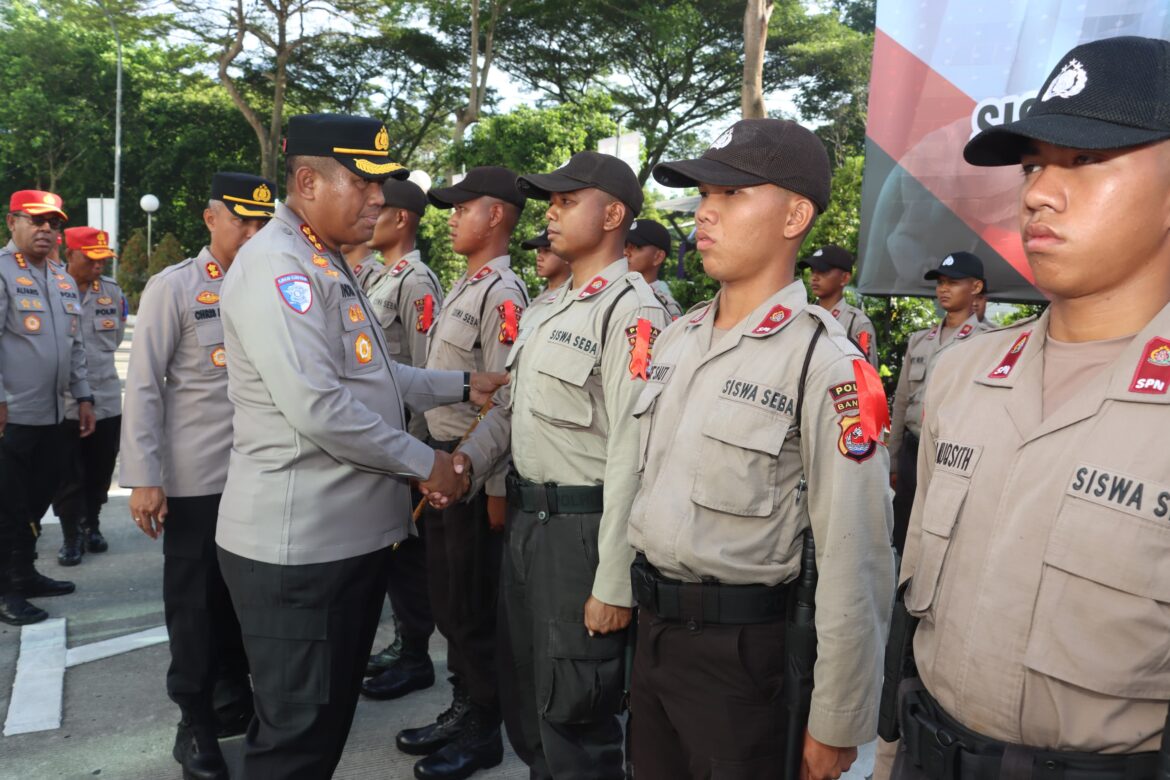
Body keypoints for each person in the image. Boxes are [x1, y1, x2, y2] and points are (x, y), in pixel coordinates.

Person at [877, 35, 1170, 779]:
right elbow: (912, 614)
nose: (1037, 190)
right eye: (1035, 162)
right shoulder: (962, 376)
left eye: (1086, 161)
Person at [213, 113, 507, 780]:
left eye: (382, 183)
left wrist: (463, 381)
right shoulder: (280, 267)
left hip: (338, 545)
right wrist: (430, 463)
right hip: (302, 552)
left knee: (313, 733)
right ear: (308, 180)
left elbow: (375, 375)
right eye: (364, 181)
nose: (379, 197)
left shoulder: (324, 260)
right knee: (296, 745)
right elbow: (319, 407)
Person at [622, 118, 895, 780]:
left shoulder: (824, 363)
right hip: (652, 634)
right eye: (703, 195)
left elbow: (854, 555)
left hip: (743, 662)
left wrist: (836, 717)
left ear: (794, 214)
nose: (704, 213)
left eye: (732, 195)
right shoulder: (678, 339)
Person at [448, 151, 670, 778]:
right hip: (527, 523)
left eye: (567, 200)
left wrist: (613, 582)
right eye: (551, 200)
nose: (551, 212)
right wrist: (465, 462)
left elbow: (635, 453)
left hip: (583, 533)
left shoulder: (633, 311)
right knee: (525, 696)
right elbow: (512, 408)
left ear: (614, 214)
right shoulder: (548, 306)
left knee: (576, 712)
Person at [121, 172, 274, 779]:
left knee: (250, 602)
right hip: (197, 482)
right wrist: (144, 476)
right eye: (244, 220)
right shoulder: (176, 287)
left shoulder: (277, 285)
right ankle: (196, 722)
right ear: (212, 219)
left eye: (264, 222)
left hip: (261, 476)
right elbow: (143, 385)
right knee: (194, 605)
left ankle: (236, 697)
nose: (256, 232)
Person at [395, 166, 529, 780]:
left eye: (462, 206)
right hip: (444, 466)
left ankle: (483, 728)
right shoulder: (464, 286)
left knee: (472, 608)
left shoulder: (504, 295)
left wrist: (492, 487)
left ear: (496, 215)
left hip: (473, 475)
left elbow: (505, 399)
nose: (450, 216)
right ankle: (462, 705)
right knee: (449, 602)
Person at [361, 176, 444, 695]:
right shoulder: (373, 276)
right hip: (378, 445)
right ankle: (402, 642)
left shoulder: (417, 282)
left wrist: (417, 455)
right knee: (391, 555)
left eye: (381, 208)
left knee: (408, 558)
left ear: (403, 220)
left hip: (404, 444)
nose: (371, 212)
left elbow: (424, 369)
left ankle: (416, 654)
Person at [0, 189, 91, 626]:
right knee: (8, 507)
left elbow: (75, 347)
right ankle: (6, 590)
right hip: (11, 417)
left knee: (35, 502)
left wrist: (85, 396)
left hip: (57, 415)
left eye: (53, 223)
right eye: (35, 221)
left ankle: (25, 572)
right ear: (11, 222)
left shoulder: (61, 278)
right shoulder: (1, 272)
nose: (46, 230)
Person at [888, 251, 990, 554]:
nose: (943, 289)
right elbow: (902, 402)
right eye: (941, 282)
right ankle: (902, 599)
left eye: (953, 282)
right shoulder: (920, 341)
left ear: (975, 287)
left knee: (943, 533)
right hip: (911, 450)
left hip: (952, 453)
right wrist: (893, 458)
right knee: (904, 531)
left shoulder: (988, 341)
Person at [52, 227, 125, 566]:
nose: (99, 266)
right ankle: (70, 537)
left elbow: (117, 337)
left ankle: (91, 525)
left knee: (99, 470)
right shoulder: (51, 288)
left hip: (106, 398)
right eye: (91, 259)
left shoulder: (111, 291)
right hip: (65, 403)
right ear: (71, 255)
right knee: (68, 475)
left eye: (103, 260)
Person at [800, 244, 879, 368]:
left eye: (823, 271)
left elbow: (866, 377)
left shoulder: (857, 323)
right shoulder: (801, 317)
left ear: (845, 278)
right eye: (812, 271)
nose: (814, 277)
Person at [624, 219, 684, 318]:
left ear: (658, 257)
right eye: (625, 245)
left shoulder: (666, 308)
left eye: (637, 247)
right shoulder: (611, 289)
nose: (625, 252)